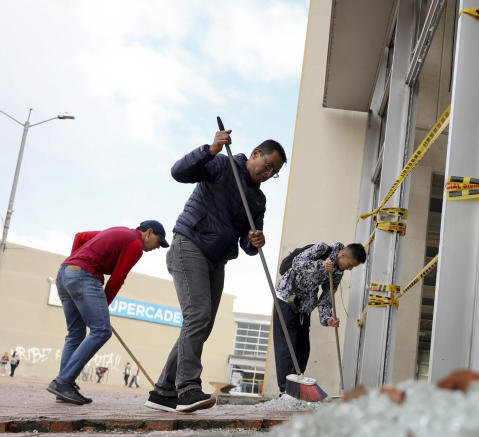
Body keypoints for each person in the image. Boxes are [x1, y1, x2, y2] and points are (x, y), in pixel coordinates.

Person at [145, 129, 285, 414]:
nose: (268, 173)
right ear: (256, 153)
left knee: (202, 325)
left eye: (275, 172)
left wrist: (254, 240)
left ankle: (163, 392)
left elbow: (247, 242)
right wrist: (209, 150)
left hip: (217, 260)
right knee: (197, 316)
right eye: (268, 165)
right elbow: (178, 172)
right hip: (190, 245)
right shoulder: (223, 165)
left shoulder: (258, 201)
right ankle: (187, 389)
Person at [46, 221, 168, 405]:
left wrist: (74, 263)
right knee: (101, 330)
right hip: (83, 276)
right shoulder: (135, 245)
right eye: (159, 242)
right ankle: (63, 381)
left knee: (76, 333)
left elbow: (80, 236)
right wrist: (102, 307)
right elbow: (118, 278)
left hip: (65, 274)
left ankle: (64, 385)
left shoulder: (117, 231)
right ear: (149, 233)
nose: (158, 247)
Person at [272, 242, 365, 389]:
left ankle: (296, 388)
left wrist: (328, 318)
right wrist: (321, 266)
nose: (350, 269)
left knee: (303, 349)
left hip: (304, 307)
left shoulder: (338, 272)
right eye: (350, 264)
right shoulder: (321, 248)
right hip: (286, 299)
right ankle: (285, 390)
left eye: (353, 267)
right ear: (343, 254)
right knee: (286, 347)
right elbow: (297, 263)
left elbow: (327, 298)